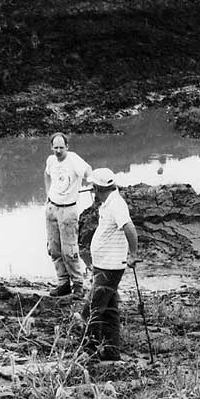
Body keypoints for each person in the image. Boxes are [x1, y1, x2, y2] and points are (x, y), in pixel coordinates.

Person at [83, 168, 138, 363]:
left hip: (110, 267)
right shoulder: (109, 202)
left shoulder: (116, 205)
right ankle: (112, 351)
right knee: (109, 310)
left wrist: (133, 254)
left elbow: (129, 228)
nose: (92, 191)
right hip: (103, 265)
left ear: (98, 188)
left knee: (92, 309)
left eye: (93, 188)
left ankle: (88, 352)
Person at [42, 133, 92, 297]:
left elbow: (87, 171)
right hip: (52, 208)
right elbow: (46, 174)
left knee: (69, 250)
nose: (58, 151)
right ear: (51, 148)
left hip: (68, 210)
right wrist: (47, 194)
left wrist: (92, 180)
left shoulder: (74, 159)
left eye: (61, 148)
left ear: (67, 147)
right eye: (55, 147)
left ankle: (78, 285)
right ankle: (63, 283)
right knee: (54, 248)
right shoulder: (51, 160)